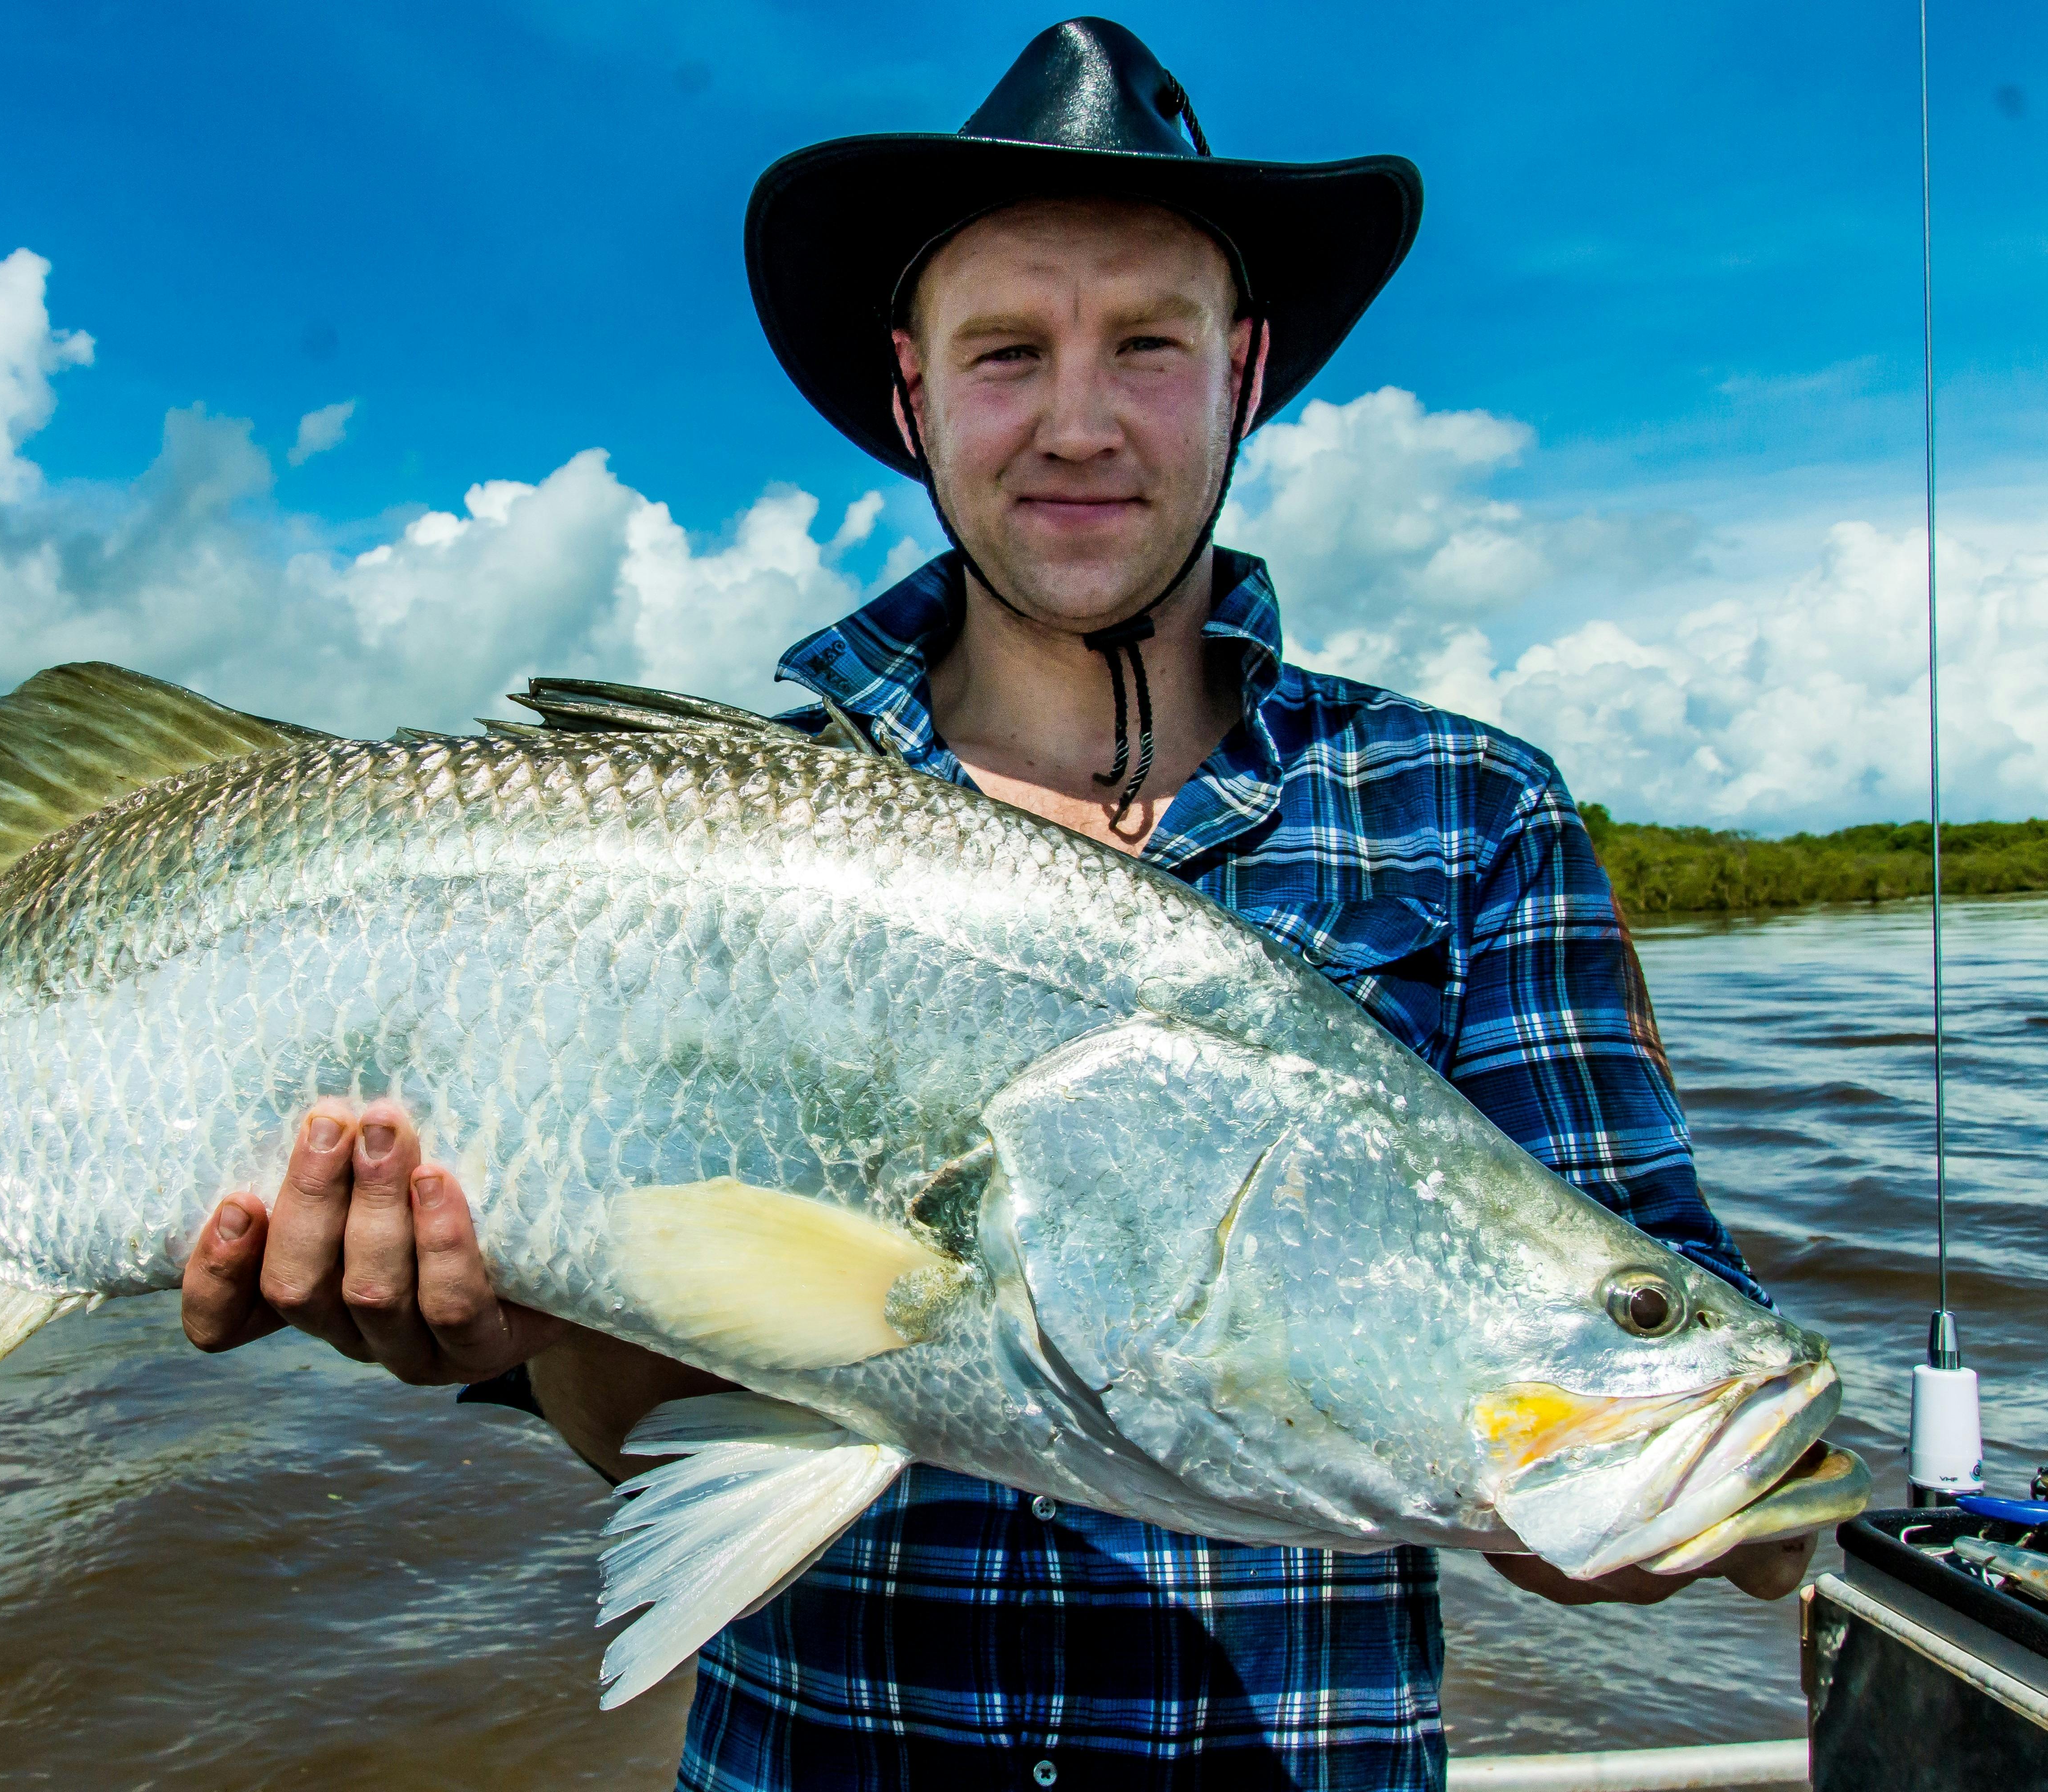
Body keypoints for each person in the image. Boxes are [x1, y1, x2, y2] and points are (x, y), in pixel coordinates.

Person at [178, 19, 1813, 1788]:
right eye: (1009, 351)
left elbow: (1706, 1426)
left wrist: (1686, 1489)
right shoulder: (697, 842)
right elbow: (659, 1434)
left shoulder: (1471, 816)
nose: (1081, 421)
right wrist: (522, 1325)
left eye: (1151, 345)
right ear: (913, 390)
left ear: (1245, 371)